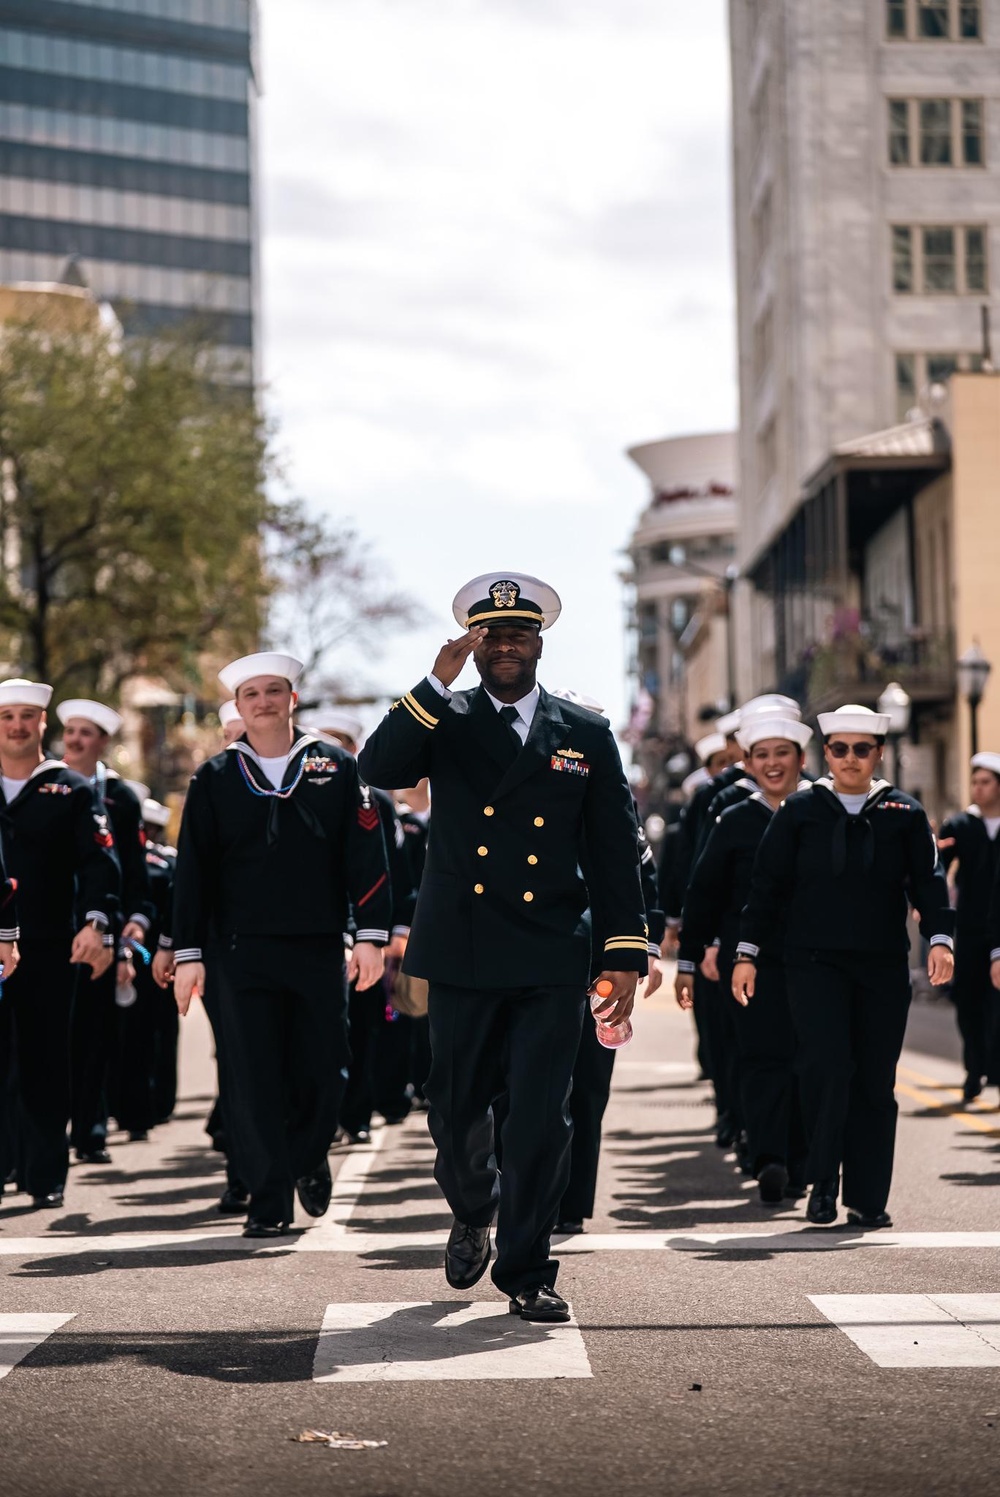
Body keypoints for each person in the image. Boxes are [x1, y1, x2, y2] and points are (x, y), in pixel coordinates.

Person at [358, 573, 648, 1323]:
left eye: (520, 632)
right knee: (455, 1112)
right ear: (476, 645)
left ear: (540, 644)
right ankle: (472, 1207)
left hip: (553, 947)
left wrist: (623, 953)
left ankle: (527, 1269)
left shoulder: (583, 731)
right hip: (463, 946)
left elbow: (614, 848)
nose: (507, 644)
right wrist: (433, 679)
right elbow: (378, 768)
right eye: (492, 634)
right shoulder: (444, 718)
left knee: (540, 1118)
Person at [171, 653, 392, 1237]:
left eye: (275, 691)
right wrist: (188, 954)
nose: (264, 702)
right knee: (251, 1075)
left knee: (326, 1070)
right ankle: (268, 1200)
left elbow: (366, 858)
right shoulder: (214, 777)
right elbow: (191, 872)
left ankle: (309, 1152)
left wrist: (369, 937)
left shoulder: (337, 767)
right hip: (237, 953)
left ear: (293, 699)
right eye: (252, 694)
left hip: (320, 946)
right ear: (239, 707)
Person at [733, 703, 954, 1229]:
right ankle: (821, 1184)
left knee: (875, 1082)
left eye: (861, 749)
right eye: (839, 749)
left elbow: (928, 883)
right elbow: (766, 888)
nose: (850, 758)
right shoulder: (801, 811)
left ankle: (868, 1197)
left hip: (881, 966)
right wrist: (747, 952)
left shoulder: (904, 813)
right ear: (826, 754)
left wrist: (941, 940)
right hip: (812, 965)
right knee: (826, 1070)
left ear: (878, 753)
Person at [676, 714, 812, 1203]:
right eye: (761, 755)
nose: (772, 764)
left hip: (815, 963)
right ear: (749, 763)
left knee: (808, 1061)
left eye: (782, 754)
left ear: (801, 758)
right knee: (760, 1058)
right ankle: (769, 1157)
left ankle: (803, 1162)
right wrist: (690, 960)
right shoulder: (733, 818)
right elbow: (704, 892)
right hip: (747, 964)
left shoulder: (823, 810)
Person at [0, 679, 119, 1209]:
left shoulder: (71, 788)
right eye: (7, 717)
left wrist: (96, 924)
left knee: (46, 1058)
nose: (17, 726)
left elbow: (100, 863)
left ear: (42, 723)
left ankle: (45, 1171)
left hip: (49, 944)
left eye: (27, 716)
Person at [298, 707, 416, 1143]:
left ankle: (356, 1114)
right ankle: (321, 1118)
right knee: (320, 1034)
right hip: (322, 931)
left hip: (369, 935)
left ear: (353, 751)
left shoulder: (376, 800)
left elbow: (393, 874)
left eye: (336, 743)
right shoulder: (298, 792)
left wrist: (389, 932)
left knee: (366, 1027)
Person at [57, 699, 154, 1163]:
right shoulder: (45, 785)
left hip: (103, 931)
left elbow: (133, 870)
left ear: (103, 742)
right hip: (48, 928)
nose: (74, 739)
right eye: (70, 730)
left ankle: (90, 1130)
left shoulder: (121, 797)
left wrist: (137, 919)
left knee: (92, 1034)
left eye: (86, 732)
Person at [939, 753, 1000, 1102]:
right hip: (973, 926)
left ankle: (994, 1066)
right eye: (974, 782)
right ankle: (974, 1067)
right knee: (968, 998)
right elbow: (936, 868)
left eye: (985, 782)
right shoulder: (960, 825)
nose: (977, 788)